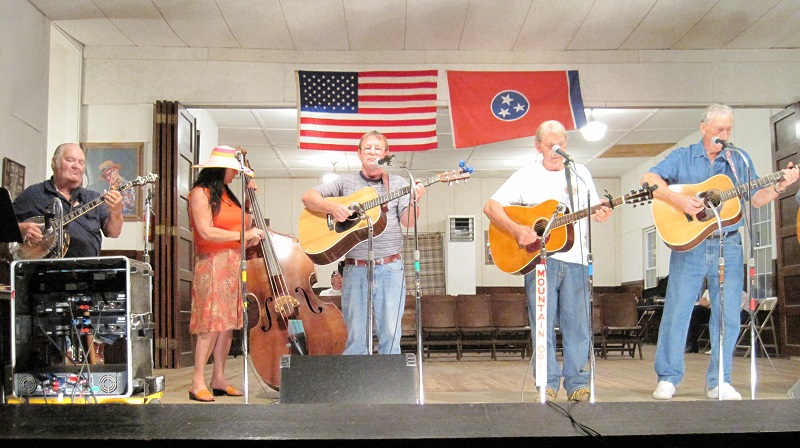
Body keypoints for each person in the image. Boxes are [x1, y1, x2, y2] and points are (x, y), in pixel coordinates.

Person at [642, 104, 798, 401]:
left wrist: (779, 187)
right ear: (703, 127)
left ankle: (720, 381)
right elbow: (648, 180)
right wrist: (679, 201)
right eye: (718, 130)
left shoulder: (738, 160)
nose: (724, 135)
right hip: (691, 244)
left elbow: (756, 198)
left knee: (727, 314)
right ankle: (668, 377)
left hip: (729, 243)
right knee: (678, 311)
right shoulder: (683, 157)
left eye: (728, 130)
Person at [483, 120, 612, 402]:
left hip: (577, 259)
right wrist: (518, 230)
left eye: (562, 144)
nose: (557, 149)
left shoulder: (580, 173)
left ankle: (578, 382)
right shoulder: (525, 175)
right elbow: (491, 207)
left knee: (577, 324)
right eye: (551, 144)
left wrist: (600, 212)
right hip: (540, 262)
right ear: (538, 146)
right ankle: (547, 382)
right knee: (543, 322)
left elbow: (592, 208)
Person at [301, 130, 425, 355]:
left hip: (390, 268)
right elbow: (308, 197)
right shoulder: (345, 182)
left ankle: (389, 387)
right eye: (367, 148)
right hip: (355, 268)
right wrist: (332, 208)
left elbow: (409, 222)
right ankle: (356, 388)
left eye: (378, 149)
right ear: (359, 154)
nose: (373, 152)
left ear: (386, 154)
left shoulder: (397, 183)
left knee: (391, 333)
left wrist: (416, 200)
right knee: (357, 337)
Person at [14, 143, 124, 364]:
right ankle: (60, 361)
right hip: (48, 277)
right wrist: (24, 228)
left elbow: (114, 231)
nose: (76, 166)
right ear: (54, 163)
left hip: (89, 276)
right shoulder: (34, 195)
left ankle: (99, 347)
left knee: (119, 293)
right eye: (70, 160)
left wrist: (116, 211)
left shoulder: (93, 197)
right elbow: (6, 225)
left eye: (81, 162)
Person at [188, 145, 265, 402]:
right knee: (211, 323)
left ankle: (218, 378)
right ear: (223, 168)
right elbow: (206, 231)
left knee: (227, 325)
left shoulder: (228, 195)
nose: (235, 173)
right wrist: (244, 235)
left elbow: (246, 227)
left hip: (233, 263)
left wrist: (248, 199)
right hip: (212, 262)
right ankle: (197, 380)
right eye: (234, 169)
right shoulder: (200, 193)